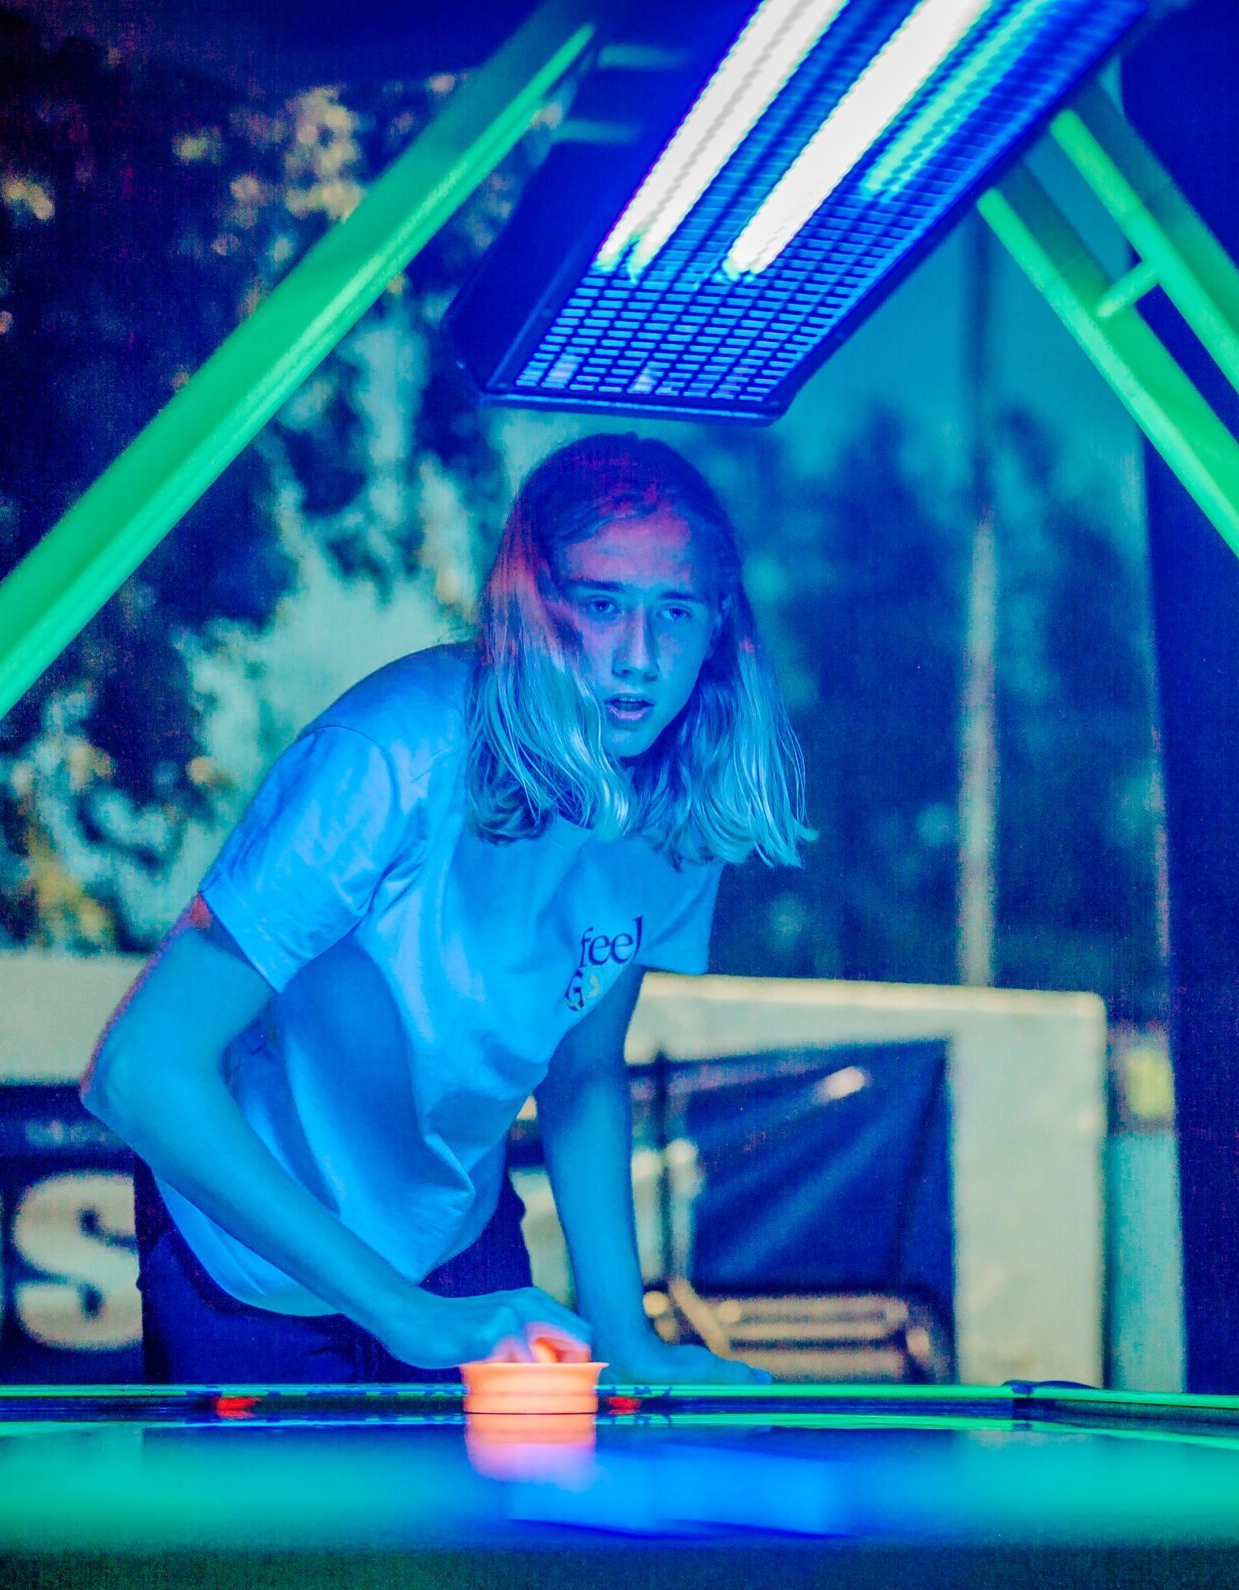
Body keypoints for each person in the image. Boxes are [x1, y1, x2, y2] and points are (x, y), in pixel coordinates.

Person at [83, 434, 810, 1384]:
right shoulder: (388, 757)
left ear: (717, 627)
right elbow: (138, 1070)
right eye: (602, 604)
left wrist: (627, 1340)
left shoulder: (679, 804)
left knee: (517, 1486)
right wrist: (404, 1317)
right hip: (249, 1249)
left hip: (453, 1239)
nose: (640, 658)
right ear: (532, 606)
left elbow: (583, 1071)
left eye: (674, 611)